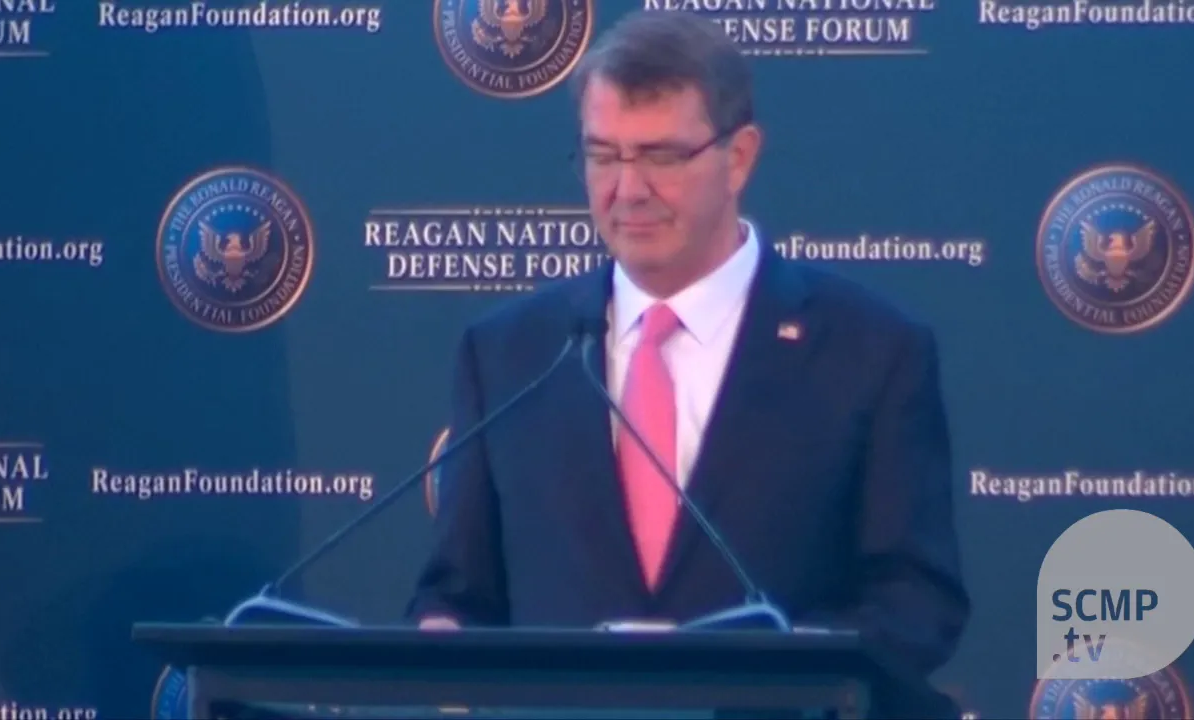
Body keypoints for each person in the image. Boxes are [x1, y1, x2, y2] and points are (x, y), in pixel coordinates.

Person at [406, 8, 969, 710]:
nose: (627, 189)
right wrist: (442, 633)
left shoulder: (870, 350)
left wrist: (785, 672)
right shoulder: (509, 352)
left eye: (661, 157)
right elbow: (458, 593)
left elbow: (916, 600)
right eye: (603, 156)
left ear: (740, 158)